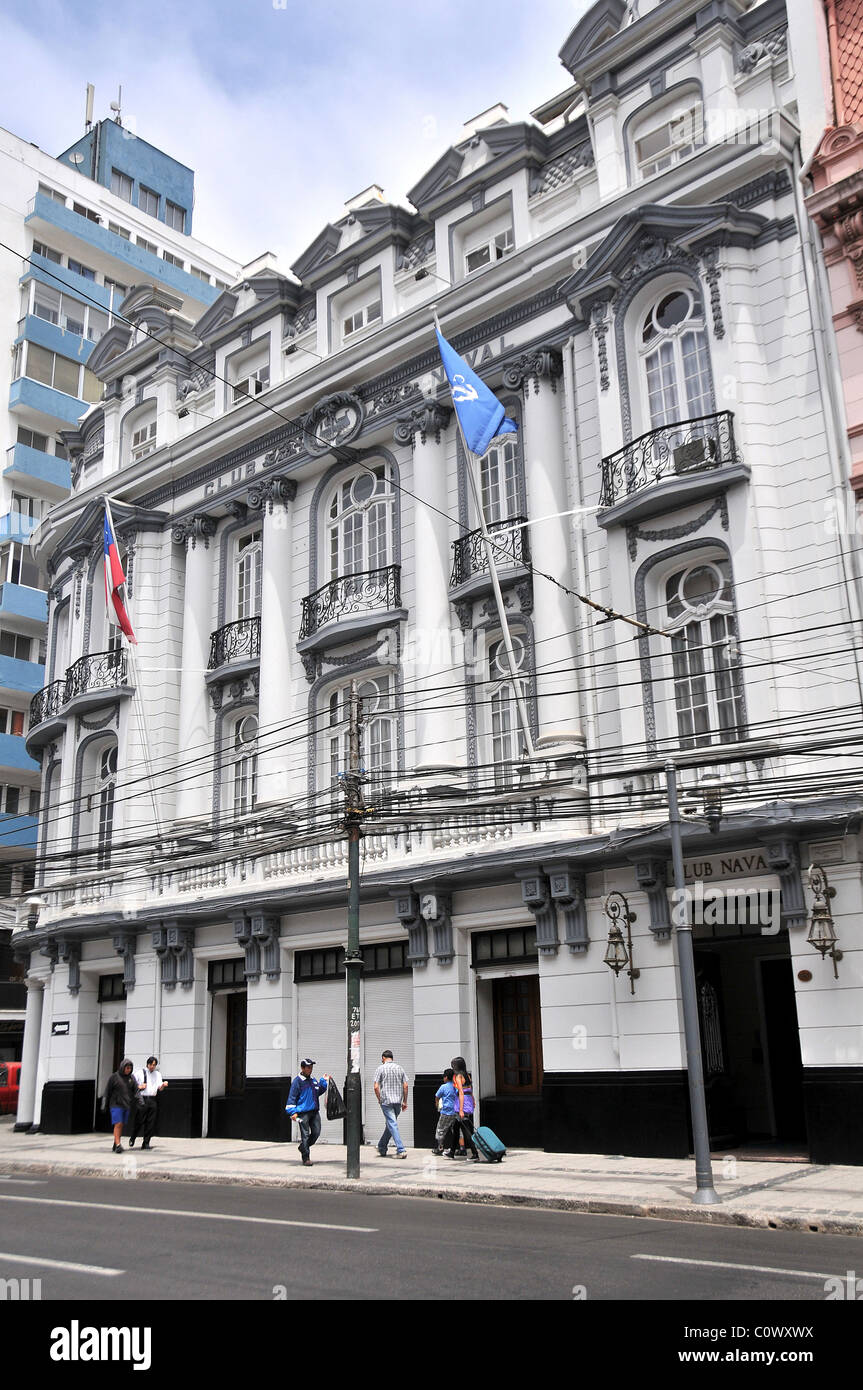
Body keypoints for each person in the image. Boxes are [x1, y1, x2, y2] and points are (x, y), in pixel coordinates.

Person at [285, 1058, 329, 1166]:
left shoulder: (312, 1080)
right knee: (305, 1135)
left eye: (311, 1067)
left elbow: (318, 1091)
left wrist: (323, 1081)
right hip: (303, 1113)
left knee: (316, 1132)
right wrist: (292, 1112)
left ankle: (303, 1147)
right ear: (302, 1068)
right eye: (308, 1067)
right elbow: (292, 1098)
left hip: (314, 1111)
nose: (310, 1069)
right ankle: (306, 1158)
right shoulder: (297, 1082)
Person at [373, 1049, 409, 1158]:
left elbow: (375, 1086)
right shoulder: (400, 1068)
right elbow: (406, 1086)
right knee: (391, 1124)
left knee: (392, 1124)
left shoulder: (380, 1068)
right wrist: (405, 1101)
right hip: (398, 1101)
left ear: (383, 1058)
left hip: (386, 1101)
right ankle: (382, 1147)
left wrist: (380, 1099)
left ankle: (401, 1149)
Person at [128, 1056, 168, 1150]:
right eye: (151, 1064)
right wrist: (140, 1086)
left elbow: (160, 1088)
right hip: (143, 1098)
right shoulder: (140, 1073)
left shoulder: (157, 1074)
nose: (152, 1067)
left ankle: (146, 1142)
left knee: (150, 1122)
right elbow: (131, 1083)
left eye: (154, 1065)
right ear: (147, 1064)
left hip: (153, 1099)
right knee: (139, 1120)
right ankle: (133, 1137)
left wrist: (163, 1085)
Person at [104, 1058, 137, 1154]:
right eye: (127, 1068)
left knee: (121, 1124)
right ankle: (118, 1145)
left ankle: (115, 1142)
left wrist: (140, 1101)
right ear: (123, 1067)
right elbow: (107, 1091)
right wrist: (104, 1104)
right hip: (115, 1104)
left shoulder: (131, 1078)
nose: (128, 1070)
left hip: (126, 1104)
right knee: (118, 1123)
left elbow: (136, 1090)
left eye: (130, 1068)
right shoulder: (114, 1077)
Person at [450, 1055, 478, 1161]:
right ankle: (452, 1152)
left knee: (466, 1130)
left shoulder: (458, 1077)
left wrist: (461, 1109)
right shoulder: (467, 1075)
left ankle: (475, 1154)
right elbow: (470, 1089)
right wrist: (473, 1100)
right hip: (468, 1101)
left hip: (462, 1103)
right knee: (456, 1128)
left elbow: (461, 1092)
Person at [432, 1068, 457, 1155]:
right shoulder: (456, 1086)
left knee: (440, 1129)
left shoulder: (443, 1087)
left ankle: (440, 1147)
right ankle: (461, 1147)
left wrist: (437, 1105)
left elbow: (437, 1096)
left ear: (446, 1077)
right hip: (455, 1112)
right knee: (456, 1130)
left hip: (446, 1111)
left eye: (444, 1077)